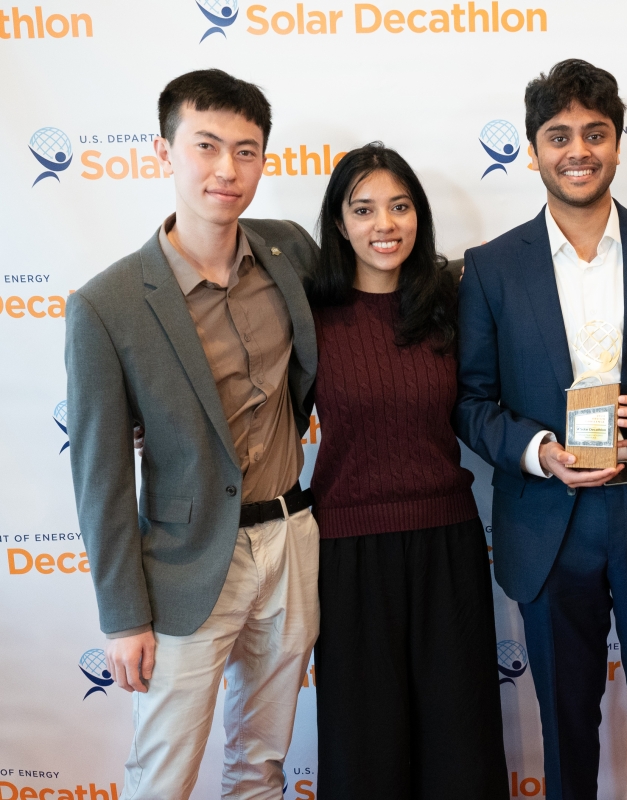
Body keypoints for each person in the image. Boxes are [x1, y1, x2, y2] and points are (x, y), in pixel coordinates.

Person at [454, 59, 627, 800]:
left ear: (619, 143)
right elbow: (471, 400)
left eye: (594, 133)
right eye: (558, 135)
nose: (577, 149)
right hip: (550, 523)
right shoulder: (489, 269)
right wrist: (539, 452)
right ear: (532, 148)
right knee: (566, 726)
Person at [65, 69, 320, 799]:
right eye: (206, 146)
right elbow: (102, 479)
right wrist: (123, 618)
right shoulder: (106, 305)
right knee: (165, 770)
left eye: (246, 150)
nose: (226, 170)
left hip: (290, 538)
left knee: (262, 759)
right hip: (183, 564)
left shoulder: (289, 253)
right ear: (163, 152)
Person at [305, 143, 507, 799]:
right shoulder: (308, 317)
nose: (384, 224)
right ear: (338, 223)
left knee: (460, 744)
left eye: (399, 206)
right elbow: (254, 414)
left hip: (446, 545)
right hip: (346, 557)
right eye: (363, 209)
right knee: (363, 748)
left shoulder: (452, 302)